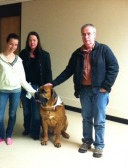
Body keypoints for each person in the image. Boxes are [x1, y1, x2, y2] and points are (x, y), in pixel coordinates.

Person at [45, 24, 119, 158]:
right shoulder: (77, 54)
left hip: (100, 92)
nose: (86, 36)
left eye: (89, 33)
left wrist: (106, 86)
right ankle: (86, 141)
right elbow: (68, 71)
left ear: (95, 34)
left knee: (99, 119)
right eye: (84, 34)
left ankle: (99, 146)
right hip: (84, 90)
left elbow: (114, 67)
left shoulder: (104, 50)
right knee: (86, 118)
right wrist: (54, 83)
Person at [0, 33, 37, 146]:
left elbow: (23, 80)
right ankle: (1, 135)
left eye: (16, 45)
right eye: (11, 44)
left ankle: (8, 135)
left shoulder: (18, 60)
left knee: (12, 115)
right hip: (2, 91)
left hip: (16, 91)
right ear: (7, 43)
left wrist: (34, 92)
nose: (13, 47)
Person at [19, 31, 52, 140]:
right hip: (25, 86)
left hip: (38, 87)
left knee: (37, 112)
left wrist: (48, 89)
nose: (32, 42)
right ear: (27, 42)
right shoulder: (23, 54)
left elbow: (48, 72)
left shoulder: (45, 55)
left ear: (38, 41)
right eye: (30, 40)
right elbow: (19, 71)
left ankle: (35, 132)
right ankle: (27, 128)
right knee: (26, 110)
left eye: (34, 40)